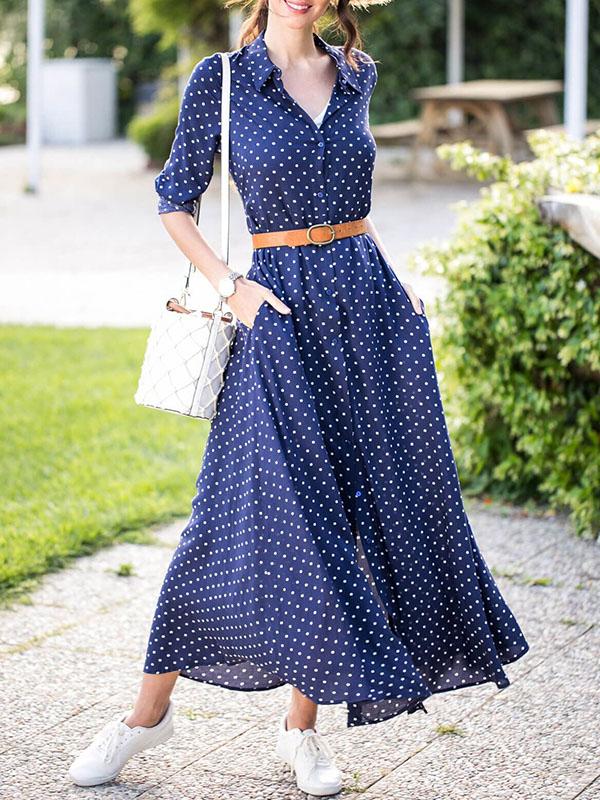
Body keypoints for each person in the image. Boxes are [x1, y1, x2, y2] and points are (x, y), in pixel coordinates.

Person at [68, 0, 530, 794]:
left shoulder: (356, 74)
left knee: (343, 515)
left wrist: (399, 280)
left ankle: (301, 731)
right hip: (276, 313)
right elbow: (174, 200)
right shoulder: (221, 80)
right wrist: (231, 287)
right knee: (224, 517)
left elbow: (358, 211)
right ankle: (146, 717)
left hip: (366, 308)